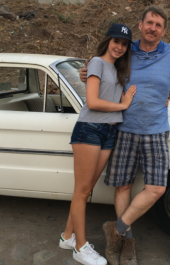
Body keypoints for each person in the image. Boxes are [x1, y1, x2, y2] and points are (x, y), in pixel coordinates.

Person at [80, 6, 170, 265]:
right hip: (124, 128)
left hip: (156, 130)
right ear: (141, 24)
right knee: (123, 185)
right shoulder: (127, 49)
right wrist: (85, 73)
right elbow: (104, 69)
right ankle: (126, 244)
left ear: (163, 30)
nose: (153, 28)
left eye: (158, 25)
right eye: (149, 23)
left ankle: (117, 230)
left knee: (156, 188)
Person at [59, 23, 136, 265]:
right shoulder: (96, 62)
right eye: (116, 41)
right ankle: (80, 248)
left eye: (124, 44)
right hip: (90, 129)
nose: (120, 47)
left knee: (86, 189)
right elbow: (92, 101)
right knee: (82, 190)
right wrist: (123, 106)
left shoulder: (119, 69)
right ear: (107, 41)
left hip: (109, 132)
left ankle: (67, 236)